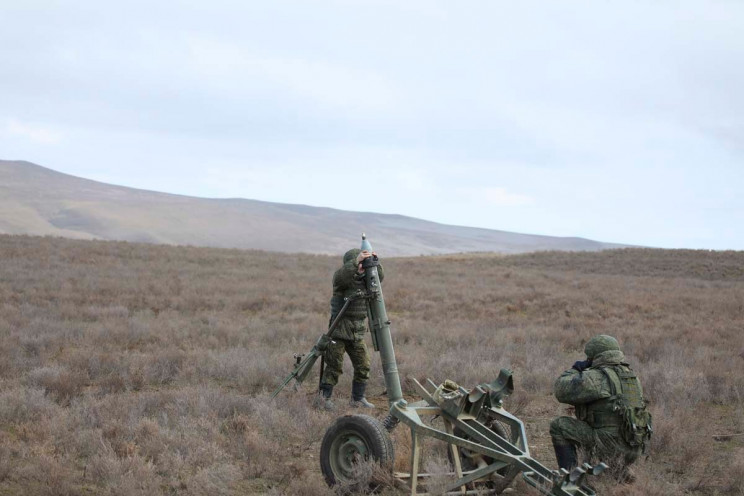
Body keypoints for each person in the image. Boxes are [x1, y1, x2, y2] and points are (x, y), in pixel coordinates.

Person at [550, 335, 652, 479]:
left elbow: (561, 390)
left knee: (559, 426)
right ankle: (619, 471)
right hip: (634, 447)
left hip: (610, 445)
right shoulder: (632, 377)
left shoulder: (598, 377)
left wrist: (575, 370)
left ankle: (570, 479)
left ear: (593, 356)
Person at [318, 248, 383, 410]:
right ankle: (323, 400)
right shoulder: (342, 279)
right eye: (359, 262)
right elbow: (341, 276)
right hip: (338, 331)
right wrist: (356, 262)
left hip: (357, 332)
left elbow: (378, 278)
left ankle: (358, 399)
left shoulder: (365, 280)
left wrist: (375, 263)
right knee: (334, 365)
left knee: (363, 364)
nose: (361, 265)